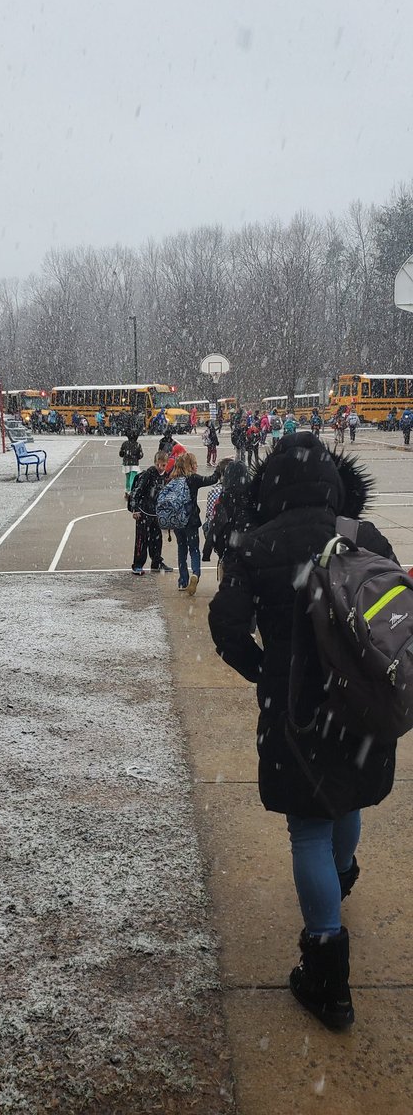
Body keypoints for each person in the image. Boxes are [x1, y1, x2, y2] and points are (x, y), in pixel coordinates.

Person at [208, 432, 397, 1031]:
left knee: (308, 831)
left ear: (272, 485)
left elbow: (228, 628)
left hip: (298, 713)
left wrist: (265, 673)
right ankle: (339, 883)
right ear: (333, 481)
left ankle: (326, 974)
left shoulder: (254, 546)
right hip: (363, 706)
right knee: (347, 802)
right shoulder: (364, 537)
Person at [170, 452, 222, 594]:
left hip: (177, 521)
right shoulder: (193, 479)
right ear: (191, 466)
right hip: (191, 520)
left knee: (182, 548)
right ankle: (195, 574)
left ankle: (183, 581)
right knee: (194, 549)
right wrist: (219, 469)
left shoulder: (173, 479)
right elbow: (212, 479)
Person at [128, 451, 174, 575]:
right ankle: (137, 565)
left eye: (163, 465)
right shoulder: (148, 474)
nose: (160, 467)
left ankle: (157, 563)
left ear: (166, 464)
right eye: (158, 464)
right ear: (155, 463)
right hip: (143, 512)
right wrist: (135, 509)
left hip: (156, 513)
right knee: (141, 540)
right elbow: (136, 492)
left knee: (156, 540)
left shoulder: (166, 476)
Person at [119, 428, 144, 500]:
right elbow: (140, 455)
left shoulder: (125, 444)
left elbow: (121, 454)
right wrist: (136, 457)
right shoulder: (138, 445)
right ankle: (131, 492)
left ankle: (127, 491)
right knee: (133, 478)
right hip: (134, 463)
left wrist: (125, 454)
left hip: (126, 463)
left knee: (127, 477)